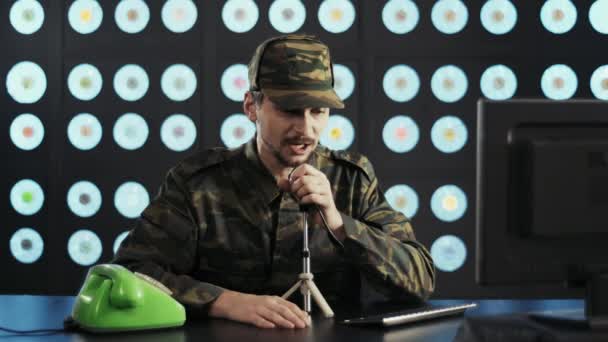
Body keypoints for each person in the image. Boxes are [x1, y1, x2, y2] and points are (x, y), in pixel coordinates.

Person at [113, 34, 435, 329]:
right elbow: (131, 273)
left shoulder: (351, 180)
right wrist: (223, 302)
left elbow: (421, 279)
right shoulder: (199, 185)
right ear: (252, 107)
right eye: (289, 111)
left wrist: (339, 226)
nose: (306, 129)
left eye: (318, 111)